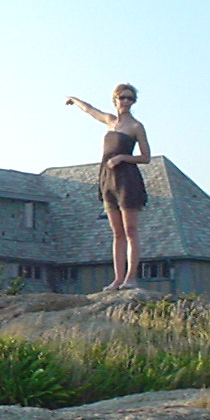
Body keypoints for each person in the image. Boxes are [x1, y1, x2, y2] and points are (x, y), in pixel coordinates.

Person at [64, 84, 149, 290]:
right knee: (117, 232)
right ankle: (118, 279)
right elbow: (90, 110)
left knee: (130, 230)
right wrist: (74, 100)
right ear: (115, 99)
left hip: (127, 179)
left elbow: (145, 157)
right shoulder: (110, 121)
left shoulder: (136, 127)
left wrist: (122, 158)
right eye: (122, 98)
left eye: (130, 99)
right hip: (107, 179)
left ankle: (131, 277)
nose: (126, 102)